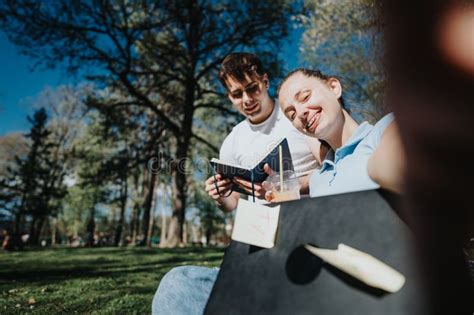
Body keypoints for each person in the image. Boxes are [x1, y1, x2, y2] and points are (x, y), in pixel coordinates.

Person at [152, 53, 322, 314]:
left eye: (252, 88)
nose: (247, 100)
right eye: (236, 94)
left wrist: (286, 186)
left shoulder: (294, 114)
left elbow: (332, 172)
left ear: (265, 81)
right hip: (256, 239)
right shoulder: (234, 140)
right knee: (176, 282)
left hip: (305, 231)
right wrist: (220, 194)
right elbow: (231, 205)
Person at [277, 68, 405, 197]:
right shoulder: (318, 178)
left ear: (334, 88)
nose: (300, 113)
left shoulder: (386, 129)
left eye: (305, 97)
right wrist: (276, 185)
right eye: (292, 115)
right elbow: (304, 182)